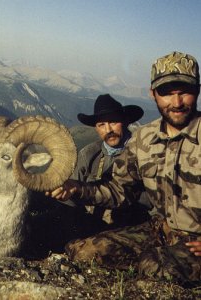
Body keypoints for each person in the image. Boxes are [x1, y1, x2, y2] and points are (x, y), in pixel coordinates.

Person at [47, 51, 201, 285]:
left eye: (185, 92)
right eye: (166, 93)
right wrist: (77, 188)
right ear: (153, 94)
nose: (176, 102)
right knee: (82, 251)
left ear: (198, 90)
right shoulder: (144, 140)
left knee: (154, 267)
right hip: (159, 231)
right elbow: (119, 190)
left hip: (196, 242)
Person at [69, 94, 150, 226]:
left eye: (113, 122)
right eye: (101, 124)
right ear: (96, 128)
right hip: (92, 224)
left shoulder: (144, 152)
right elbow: (71, 197)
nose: (108, 130)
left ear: (125, 121)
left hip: (135, 226)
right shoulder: (88, 155)